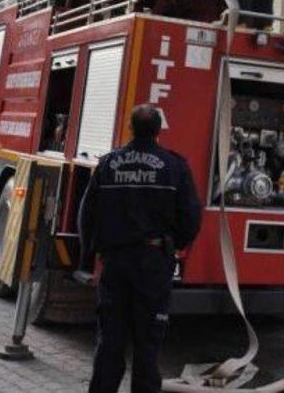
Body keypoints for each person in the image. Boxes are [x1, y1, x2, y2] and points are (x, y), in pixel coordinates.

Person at [79, 103, 201, 393]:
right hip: (153, 264)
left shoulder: (108, 164)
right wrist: (174, 246)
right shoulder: (175, 166)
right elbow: (192, 216)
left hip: (116, 263)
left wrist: (90, 255)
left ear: (130, 128)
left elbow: (87, 214)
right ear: (159, 131)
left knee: (110, 341)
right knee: (147, 344)